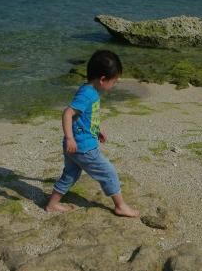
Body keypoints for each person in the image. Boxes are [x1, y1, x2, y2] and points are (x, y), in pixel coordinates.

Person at [45, 50, 140, 218]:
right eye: (114, 81)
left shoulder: (89, 90)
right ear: (103, 79)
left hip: (77, 146)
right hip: (83, 147)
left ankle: (52, 204)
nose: (115, 85)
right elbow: (68, 113)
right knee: (108, 172)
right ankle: (120, 206)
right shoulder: (88, 94)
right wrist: (69, 138)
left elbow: (85, 116)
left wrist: (97, 129)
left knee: (70, 174)